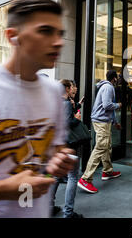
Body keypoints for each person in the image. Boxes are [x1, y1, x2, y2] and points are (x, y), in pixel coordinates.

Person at [0, 0, 76, 217]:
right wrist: (3, 189)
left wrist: (60, 159)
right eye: (46, 31)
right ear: (12, 36)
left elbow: (56, 148)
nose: (58, 42)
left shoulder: (53, 91)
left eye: (60, 34)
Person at [78, 70, 122, 194]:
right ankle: (85, 179)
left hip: (104, 121)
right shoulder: (108, 87)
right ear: (113, 78)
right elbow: (107, 105)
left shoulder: (106, 86)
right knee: (101, 147)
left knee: (106, 146)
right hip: (101, 121)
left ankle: (107, 171)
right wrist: (118, 105)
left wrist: (114, 122)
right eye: (117, 77)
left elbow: (109, 109)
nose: (118, 80)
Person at [50, 79, 84, 218]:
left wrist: (76, 105)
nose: (73, 89)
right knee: (72, 177)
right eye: (72, 87)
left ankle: (49, 206)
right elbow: (68, 123)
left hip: (58, 143)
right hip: (70, 144)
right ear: (67, 88)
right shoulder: (66, 104)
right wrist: (76, 118)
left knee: (57, 175)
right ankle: (68, 212)